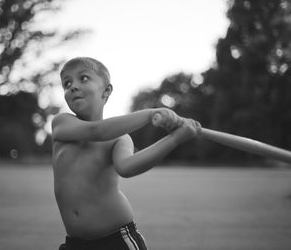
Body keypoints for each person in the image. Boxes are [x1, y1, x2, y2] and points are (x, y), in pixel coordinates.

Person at [52, 57, 201, 250]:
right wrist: (150, 114)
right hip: (75, 244)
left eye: (84, 78)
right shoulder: (62, 123)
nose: (73, 87)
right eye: (67, 83)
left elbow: (127, 167)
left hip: (116, 240)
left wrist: (175, 139)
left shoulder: (120, 138)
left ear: (106, 91)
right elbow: (96, 131)